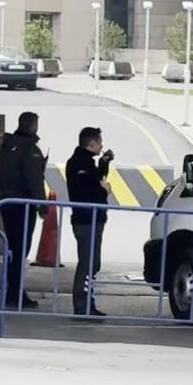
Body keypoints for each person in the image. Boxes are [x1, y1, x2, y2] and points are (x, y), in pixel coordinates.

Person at [0, 111, 47, 310]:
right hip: (23, 205)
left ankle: (12, 290)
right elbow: (35, 181)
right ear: (34, 126)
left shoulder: (8, 147)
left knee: (12, 249)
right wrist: (43, 207)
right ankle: (16, 293)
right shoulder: (30, 150)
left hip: (7, 203)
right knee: (20, 250)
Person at [65, 127, 112, 318]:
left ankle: (87, 302)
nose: (101, 145)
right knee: (88, 263)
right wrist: (104, 190)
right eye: (99, 142)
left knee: (93, 263)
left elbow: (96, 180)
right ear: (91, 143)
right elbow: (90, 191)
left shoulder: (87, 163)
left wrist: (103, 165)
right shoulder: (79, 164)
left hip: (92, 218)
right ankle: (82, 304)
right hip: (86, 219)